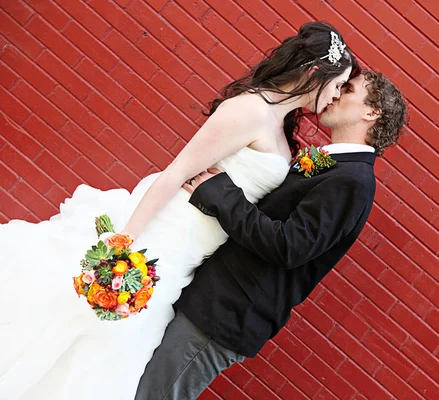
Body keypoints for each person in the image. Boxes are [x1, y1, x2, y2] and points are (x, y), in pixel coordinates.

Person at [0, 22, 356, 400]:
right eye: (337, 85)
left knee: (115, 354)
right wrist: (124, 244)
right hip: (161, 241)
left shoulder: (281, 124)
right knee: (94, 340)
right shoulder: (250, 110)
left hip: (186, 259)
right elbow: (174, 174)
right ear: (315, 74)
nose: (335, 96)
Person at [134, 69, 409, 399]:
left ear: (371, 112)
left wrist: (220, 191)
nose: (335, 94)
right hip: (209, 300)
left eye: (348, 89)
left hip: (223, 317)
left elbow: (288, 246)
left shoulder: (353, 182)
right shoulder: (334, 166)